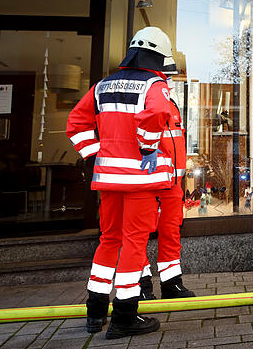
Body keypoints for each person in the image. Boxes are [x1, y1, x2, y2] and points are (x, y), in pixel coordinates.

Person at [66, 26, 178, 338]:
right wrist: (147, 145)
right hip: (140, 181)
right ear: (158, 56)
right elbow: (156, 112)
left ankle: (95, 311)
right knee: (133, 243)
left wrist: (95, 155)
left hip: (108, 180)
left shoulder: (102, 85)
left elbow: (75, 122)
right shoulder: (155, 84)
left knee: (109, 239)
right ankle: (125, 316)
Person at [139, 68, 196, 302]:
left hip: (171, 182)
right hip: (149, 179)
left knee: (171, 231)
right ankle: (141, 285)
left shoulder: (171, 103)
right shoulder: (145, 97)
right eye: (168, 76)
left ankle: (172, 283)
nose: (171, 81)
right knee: (138, 233)